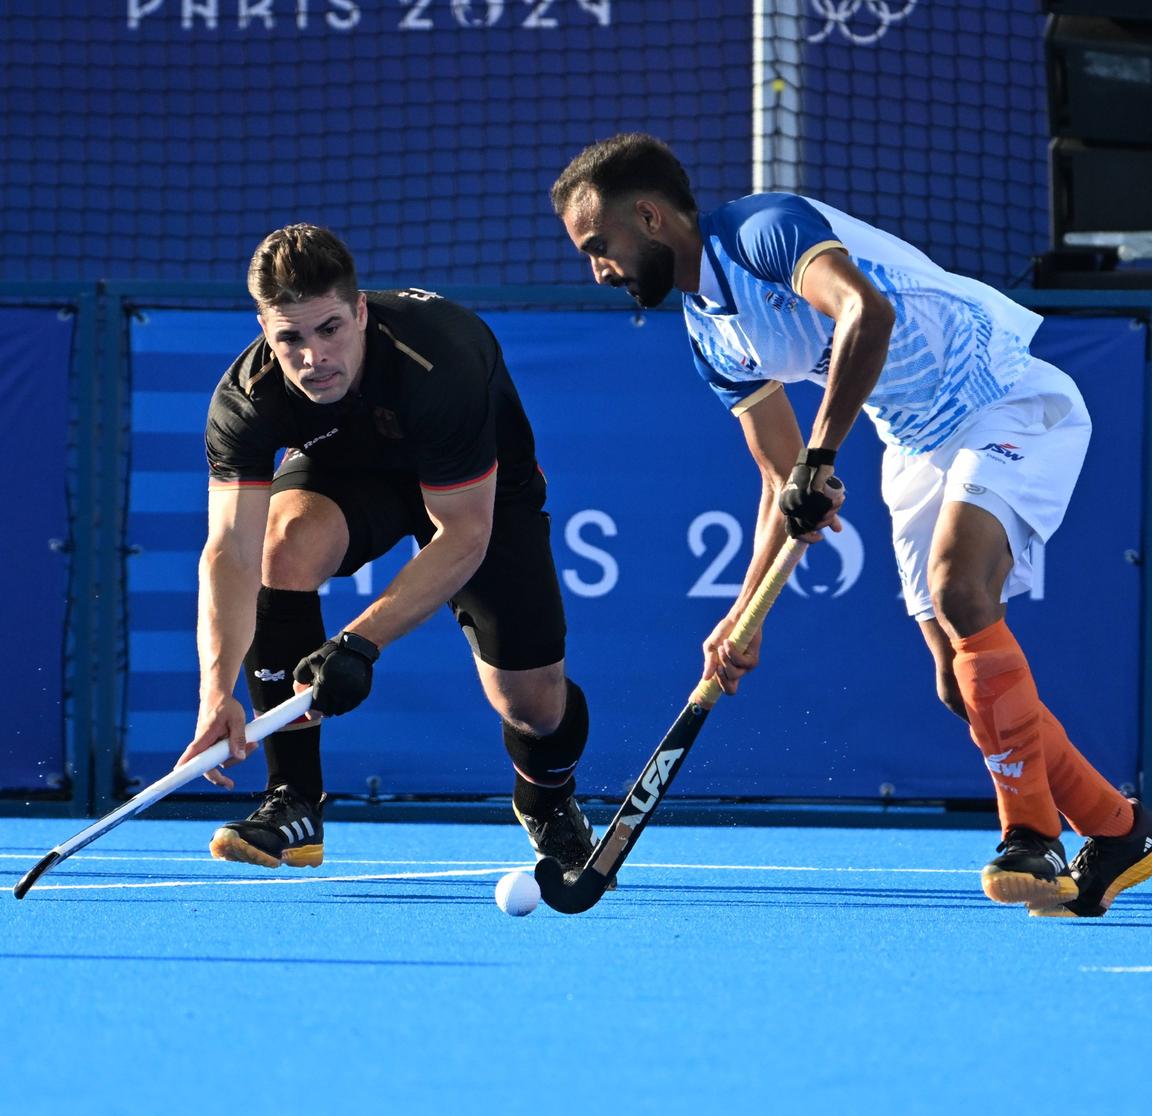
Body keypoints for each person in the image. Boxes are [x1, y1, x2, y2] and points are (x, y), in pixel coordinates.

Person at [550, 132, 1152, 919]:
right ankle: (1118, 830)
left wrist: (822, 455)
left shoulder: (763, 231)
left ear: (652, 217)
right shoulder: (708, 333)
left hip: (1002, 393)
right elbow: (779, 473)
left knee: (961, 589)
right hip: (914, 442)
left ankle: (1029, 835)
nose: (599, 269)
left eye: (601, 246)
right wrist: (742, 616)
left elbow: (868, 310)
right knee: (958, 683)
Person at [177, 224, 597, 878]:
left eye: (330, 330)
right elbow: (229, 551)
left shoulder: (441, 360)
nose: (313, 357)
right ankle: (293, 800)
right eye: (289, 337)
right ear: (263, 328)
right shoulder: (245, 399)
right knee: (279, 544)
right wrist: (214, 693)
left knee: (533, 706)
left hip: (481, 492)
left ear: (360, 311)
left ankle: (546, 799)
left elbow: (464, 534)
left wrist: (357, 643)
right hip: (348, 472)